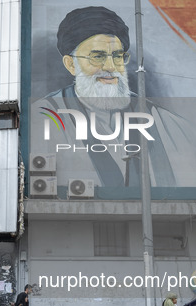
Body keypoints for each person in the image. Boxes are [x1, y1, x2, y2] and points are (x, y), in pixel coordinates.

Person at [31, 6, 180, 189]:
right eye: (98, 56)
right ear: (71, 64)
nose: (111, 67)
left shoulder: (159, 117)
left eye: (117, 56)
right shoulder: (45, 116)